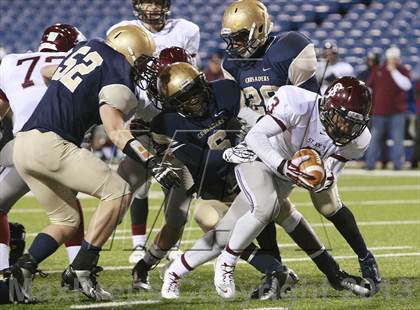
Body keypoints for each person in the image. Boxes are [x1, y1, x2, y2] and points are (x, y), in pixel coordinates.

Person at [160, 74, 374, 300]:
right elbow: (255, 136)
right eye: (343, 118)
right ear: (329, 107)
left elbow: (331, 173)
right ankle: (227, 262)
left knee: (224, 234)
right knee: (266, 206)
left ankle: (174, 272)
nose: (346, 127)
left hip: (285, 175)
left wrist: (323, 179)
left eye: (354, 123)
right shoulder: (300, 103)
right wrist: (284, 166)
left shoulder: (359, 139)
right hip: (260, 157)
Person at [11, 25, 180, 302]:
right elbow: (115, 130)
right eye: (141, 60)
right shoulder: (117, 71)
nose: (143, 68)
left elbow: (46, 72)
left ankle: (23, 270)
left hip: (25, 143)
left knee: (65, 220)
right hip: (52, 145)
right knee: (119, 191)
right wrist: (153, 162)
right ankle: (82, 270)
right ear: (128, 52)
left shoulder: (85, 48)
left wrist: (71, 99)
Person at [220, 0, 380, 291]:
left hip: (304, 136)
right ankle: (275, 273)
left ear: (259, 29)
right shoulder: (232, 63)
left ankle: (365, 257)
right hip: (268, 139)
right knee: (265, 205)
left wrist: (321, 163)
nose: (236, 45)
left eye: (241, 37)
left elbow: (309, 108)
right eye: (232, 39)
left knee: (327, 203)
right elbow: (243, 107)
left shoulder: (290, 48)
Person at [107, 0, 200, 264]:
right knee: (139, 185)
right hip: (141, 114)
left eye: (158, 1)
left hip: (173, 115)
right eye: (148, 1)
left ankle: (174, 243)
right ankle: (138, 244)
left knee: (178, 181)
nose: (154, 7)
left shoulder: (187, 29)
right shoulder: (123, 30)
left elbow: (191, 72)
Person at [0, 24, 87, 281]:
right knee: (71, 206)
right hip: (59, 147)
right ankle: (79, 269)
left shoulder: (12, 62)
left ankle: (2, 271)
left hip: (22, 148)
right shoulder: (75, 60)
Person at [365, 46, 412, 170]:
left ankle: (398, 165)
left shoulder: (402, 70)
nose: (393, 61)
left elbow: (406, 85)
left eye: (395, 59)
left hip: (397, 112)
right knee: (374, 140)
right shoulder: (378, 70)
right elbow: (369, 88)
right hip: (379, 112)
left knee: (398, 140)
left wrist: (393, 71)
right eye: (391, 58)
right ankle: (370, 164)